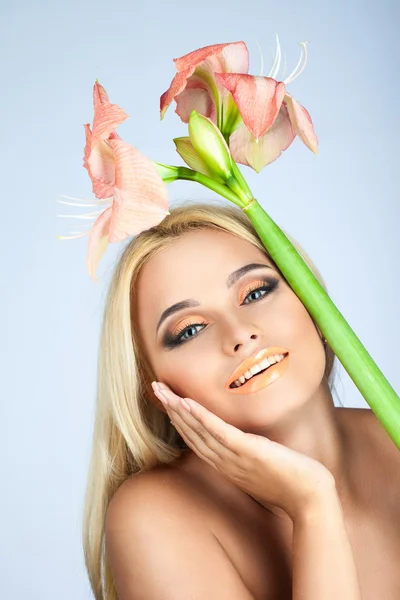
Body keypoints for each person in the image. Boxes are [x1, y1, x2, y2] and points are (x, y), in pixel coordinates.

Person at [82, 200, 400, 600]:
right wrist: (312, 505)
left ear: (313, 305)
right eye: (190, 330)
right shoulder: (152, 517)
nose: (240, 333)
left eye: (255, 293)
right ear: (161, 393)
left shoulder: (393, 440)